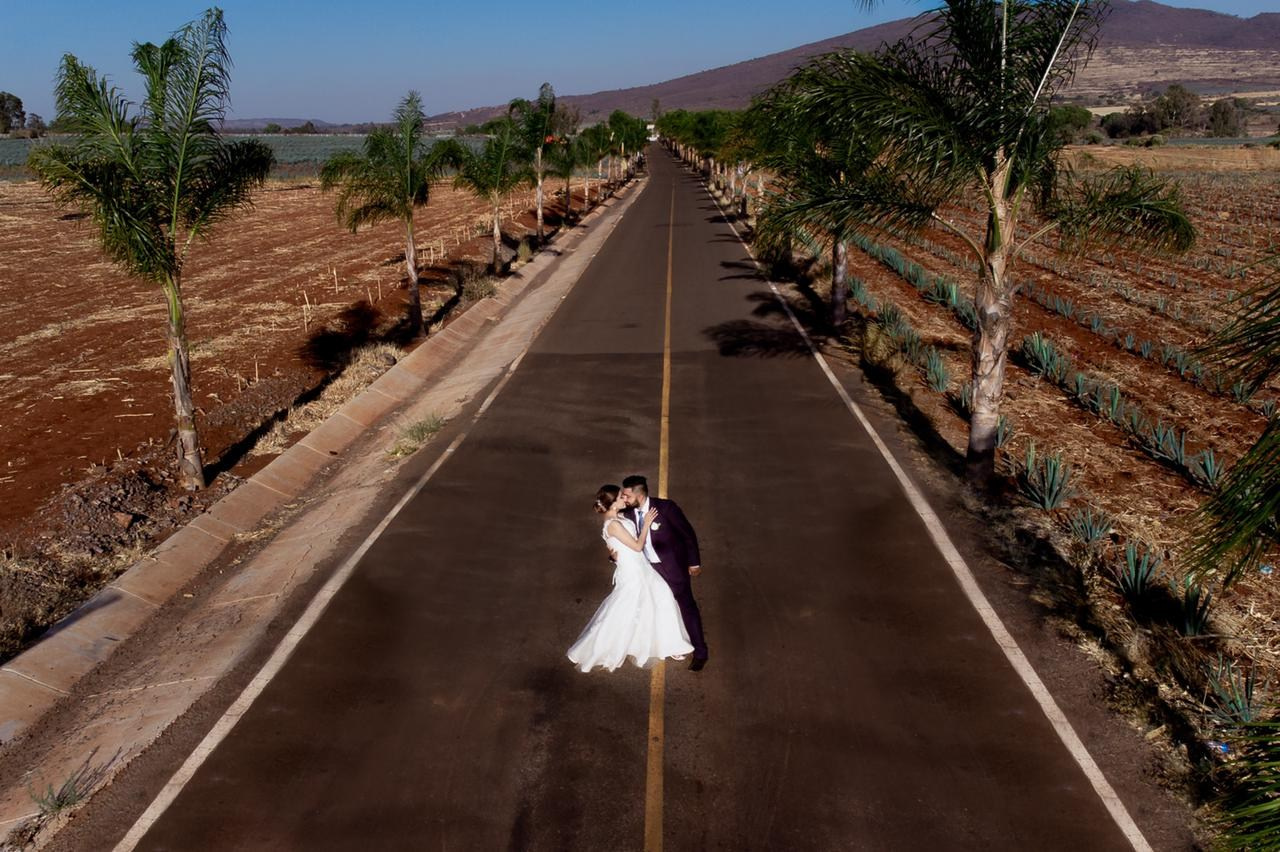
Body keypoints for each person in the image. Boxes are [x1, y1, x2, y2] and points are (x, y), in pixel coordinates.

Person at [567, 485, 694, 673]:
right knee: (629, 606)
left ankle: (670, 645)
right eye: (620, 497)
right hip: (633, 570)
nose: (624, 498)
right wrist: (646, 525)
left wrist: (613, 556)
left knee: (659, 598)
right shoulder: (614, 524)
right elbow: (636, 546)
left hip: (638, 566)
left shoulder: (617, 519)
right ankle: (602, 645)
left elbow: (614, 548)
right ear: (612, 504)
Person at [619, 474, 708, 671]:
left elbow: (687, 534)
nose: (623, 499)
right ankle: (670, 644)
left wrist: (694, 562)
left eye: (626, 495)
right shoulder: (628, 513)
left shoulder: (666, 508)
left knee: (686, 606)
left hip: (672, 567)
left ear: (639, 494)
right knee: (658, 607)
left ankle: (700, 651)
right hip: (648, 569)